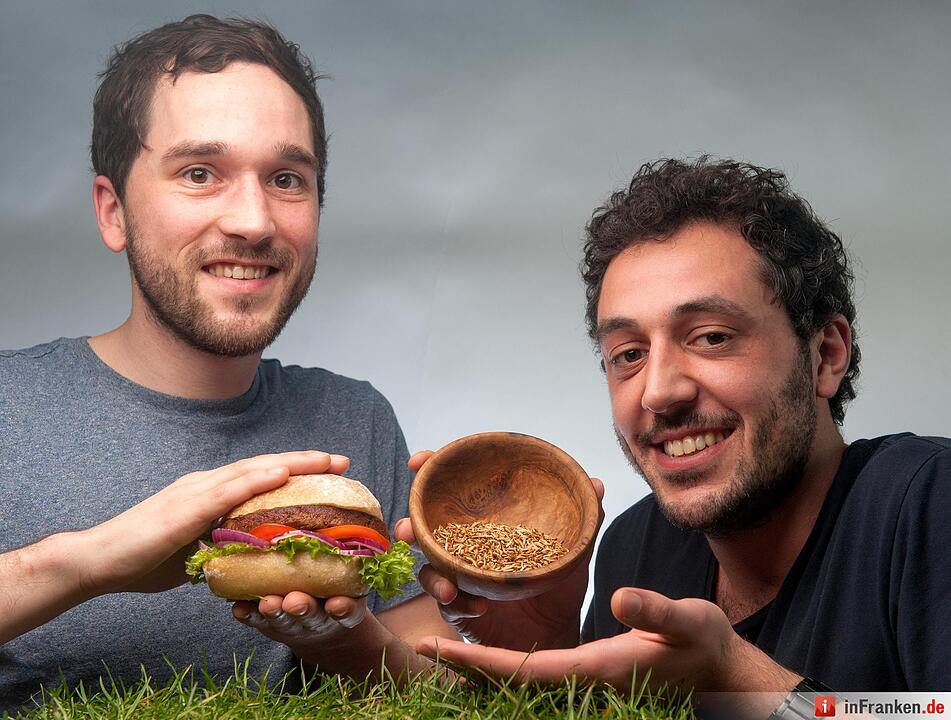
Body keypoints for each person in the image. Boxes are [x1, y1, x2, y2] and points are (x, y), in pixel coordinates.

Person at [0, 14, 453, 713]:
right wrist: (84, 563)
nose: (253, 220)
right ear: (113, 212)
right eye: (199, 173)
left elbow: (444, 697)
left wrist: (346, 644)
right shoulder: (9, 407)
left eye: (286, 178)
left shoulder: (353, 419)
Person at [396, 157, 951, 713]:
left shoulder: (928, 502)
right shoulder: (634, 549)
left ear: (825, 355)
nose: (658, 392)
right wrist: (548, 651)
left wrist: (736, 676)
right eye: (629, 354)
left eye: (711, 337)